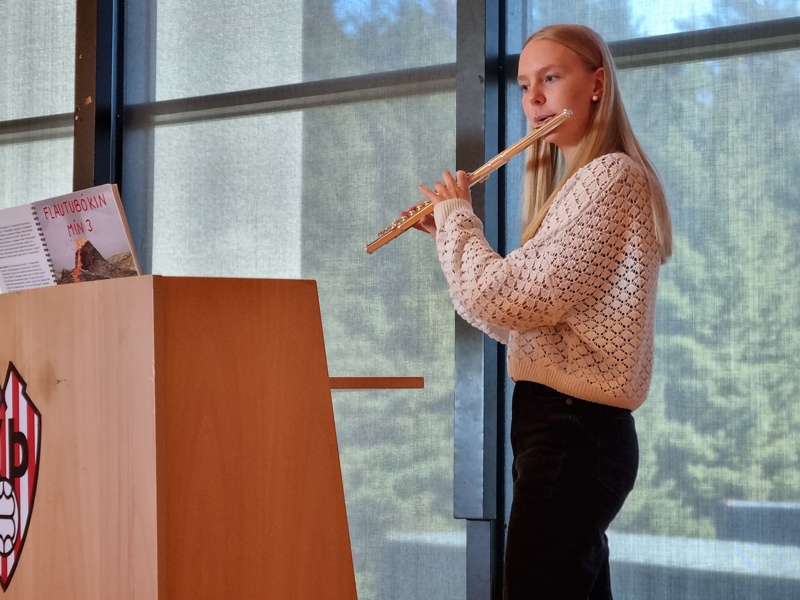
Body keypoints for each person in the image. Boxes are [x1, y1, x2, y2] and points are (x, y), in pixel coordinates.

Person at [412, 23, 672, 600]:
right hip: (559, 428)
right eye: (526, 84)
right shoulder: (580, 185)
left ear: (597, 84)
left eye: (551, 79)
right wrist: (447, 238)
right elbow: (517, 319)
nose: (533, 100)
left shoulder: (610, 177)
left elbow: (505, 295)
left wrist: (459, 220)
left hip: (574, 432)